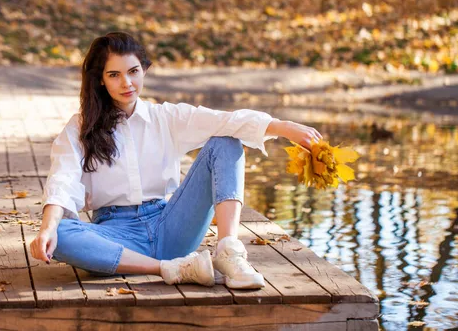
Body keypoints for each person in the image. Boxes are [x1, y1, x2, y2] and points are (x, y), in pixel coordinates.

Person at [30, 32, 323, 289]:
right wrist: (47, 227)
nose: (127, 83)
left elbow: (226, 120)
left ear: (144, 69)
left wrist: (285, 127)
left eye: (133, 71)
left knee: (225, 139)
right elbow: (62, 180)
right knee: (60, 233)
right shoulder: (80, 128)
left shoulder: (165, 117)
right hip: (116, 235)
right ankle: (169, 269)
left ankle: (229, 252)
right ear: (101, 80)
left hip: (171, 226)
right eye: (114, 75)